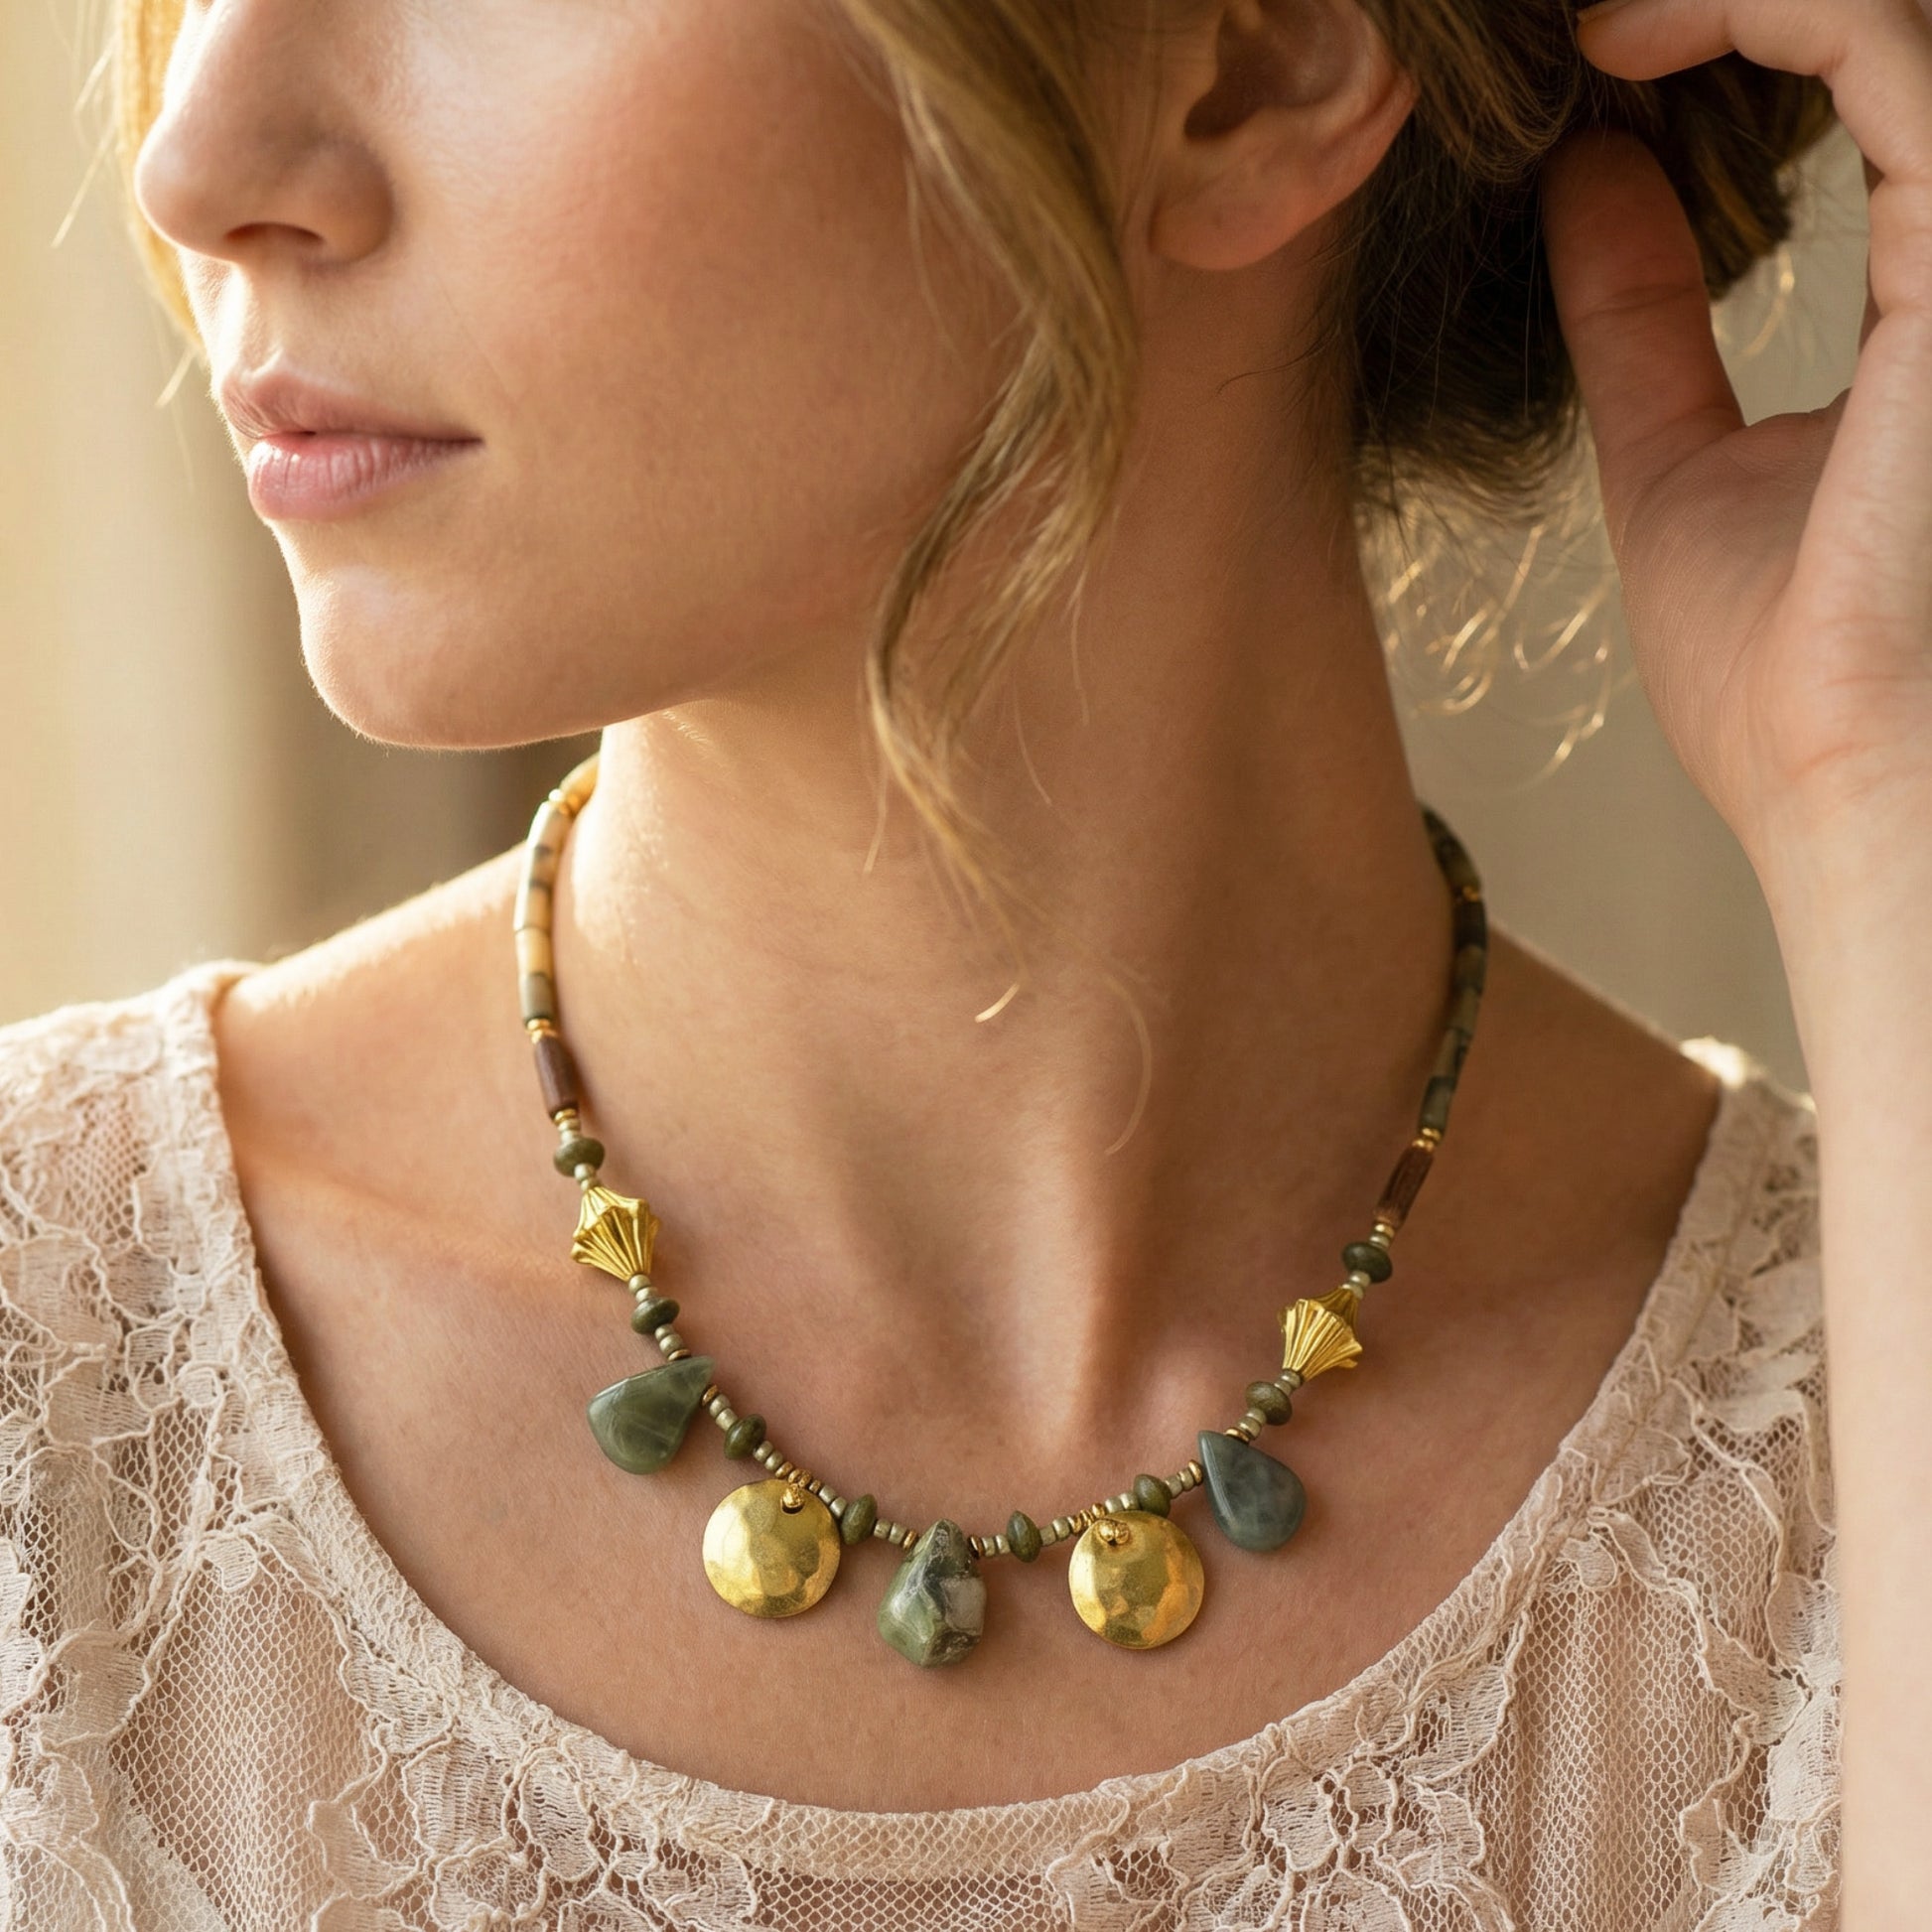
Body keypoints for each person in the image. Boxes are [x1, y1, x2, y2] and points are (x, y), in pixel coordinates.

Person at [1, 0, 1924, 1922]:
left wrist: (1890, 789)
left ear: (1252, 67)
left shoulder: (1857, 1457)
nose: (199, 158)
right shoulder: (49, 1391)